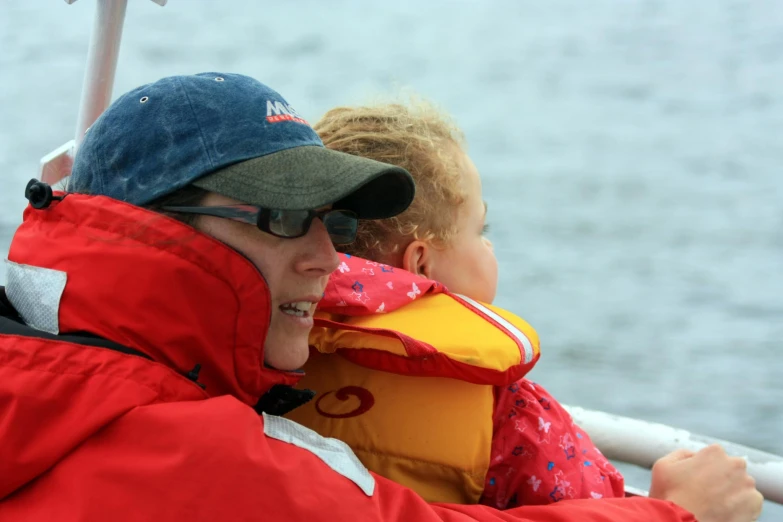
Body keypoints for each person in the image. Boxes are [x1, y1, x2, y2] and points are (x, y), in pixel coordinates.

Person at [0, 73, 760, 522]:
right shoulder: (194, 457)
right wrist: (676, 513)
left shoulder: (40, 368)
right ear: (156, 231)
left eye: (333, 224)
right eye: (287, 218)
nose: (326, 256)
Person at [290, 99, 760, 519]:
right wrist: (668, 508)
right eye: (480, 228)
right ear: (420, 264)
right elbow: (590, 503)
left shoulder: (268, 350)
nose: (490, 244)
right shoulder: (510, 410)